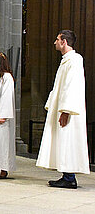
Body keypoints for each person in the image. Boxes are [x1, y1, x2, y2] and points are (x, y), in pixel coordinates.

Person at [36, 30, 90, 189]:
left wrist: (66, 110)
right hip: (63, 108)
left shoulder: (75, 60)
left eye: (57, 39)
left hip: (69, 110)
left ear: (64, 42)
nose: (54, 42)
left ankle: (69, 178)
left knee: (68, 140)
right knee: (64, 141)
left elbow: (71, 86)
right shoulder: (67, 60)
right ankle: (67, 175)